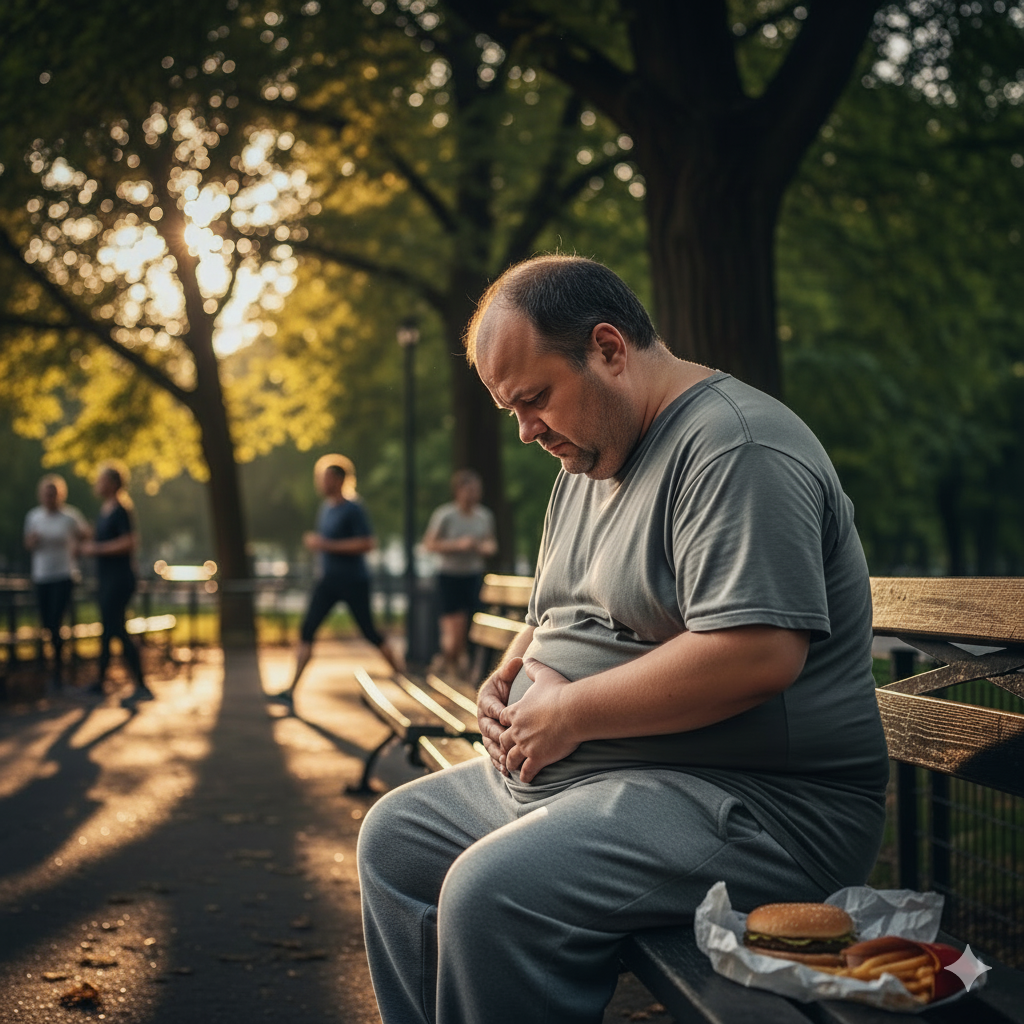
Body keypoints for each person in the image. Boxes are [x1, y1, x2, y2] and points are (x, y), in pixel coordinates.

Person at [357, 255, 890, 1024]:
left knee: (491, 894)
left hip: (757, 810)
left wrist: (569, 716)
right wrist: (505, 683)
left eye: (535, 399)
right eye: (511, 409)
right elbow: (552, 614)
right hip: (605, 782)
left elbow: (758, 653)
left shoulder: (735, 448)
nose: (526, 431)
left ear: (608, 347)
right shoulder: (587, 459)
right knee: (396, 843)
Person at [270, 454, 404, 711]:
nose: (321, 483)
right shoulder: (326, 508)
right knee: (306, 631)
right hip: (328, 582)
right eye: (320, 478)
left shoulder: (354, 508)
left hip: (353, 582)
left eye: (326, 478)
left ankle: (402, 674)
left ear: (340, 480)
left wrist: (325, 545)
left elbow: (367, 543)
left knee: (369, 632)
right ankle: (290, 690)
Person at [80, 463, 153, 707]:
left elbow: (129, 542)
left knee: (117, 629)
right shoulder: (105, 510)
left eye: (100, 480)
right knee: (110, 629)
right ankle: (102, 681)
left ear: (111, 483)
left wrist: (96, 549)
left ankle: (141, 685)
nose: (96, 484)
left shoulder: (121, 510)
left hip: (120, 580)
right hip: (107, 580)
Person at [422, 468, 497, 679]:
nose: (474, 495)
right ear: (458, 491)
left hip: (473, 576)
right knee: (455, 633)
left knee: (470, 629)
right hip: (449, 577)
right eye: (469, 490)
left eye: (477, 490)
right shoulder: (445, 515)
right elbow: (429, 543)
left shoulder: (484, 516)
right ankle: (449, 660)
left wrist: (483, 548)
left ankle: (449, 665)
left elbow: (491, 544)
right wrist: (458, 545)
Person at [23, 474, 91, 687]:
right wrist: (32, 541)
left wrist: (79, 550)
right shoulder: (34, 517)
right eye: (46, 493)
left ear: (60, 495)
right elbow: (28, 543)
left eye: (53, 494)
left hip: (63, 575)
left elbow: (86, 534)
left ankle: (59, 671)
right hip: (42, 575)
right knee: (47, 623)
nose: (50, 497)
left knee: (56, 620)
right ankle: (50, 666)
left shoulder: (70, 517)